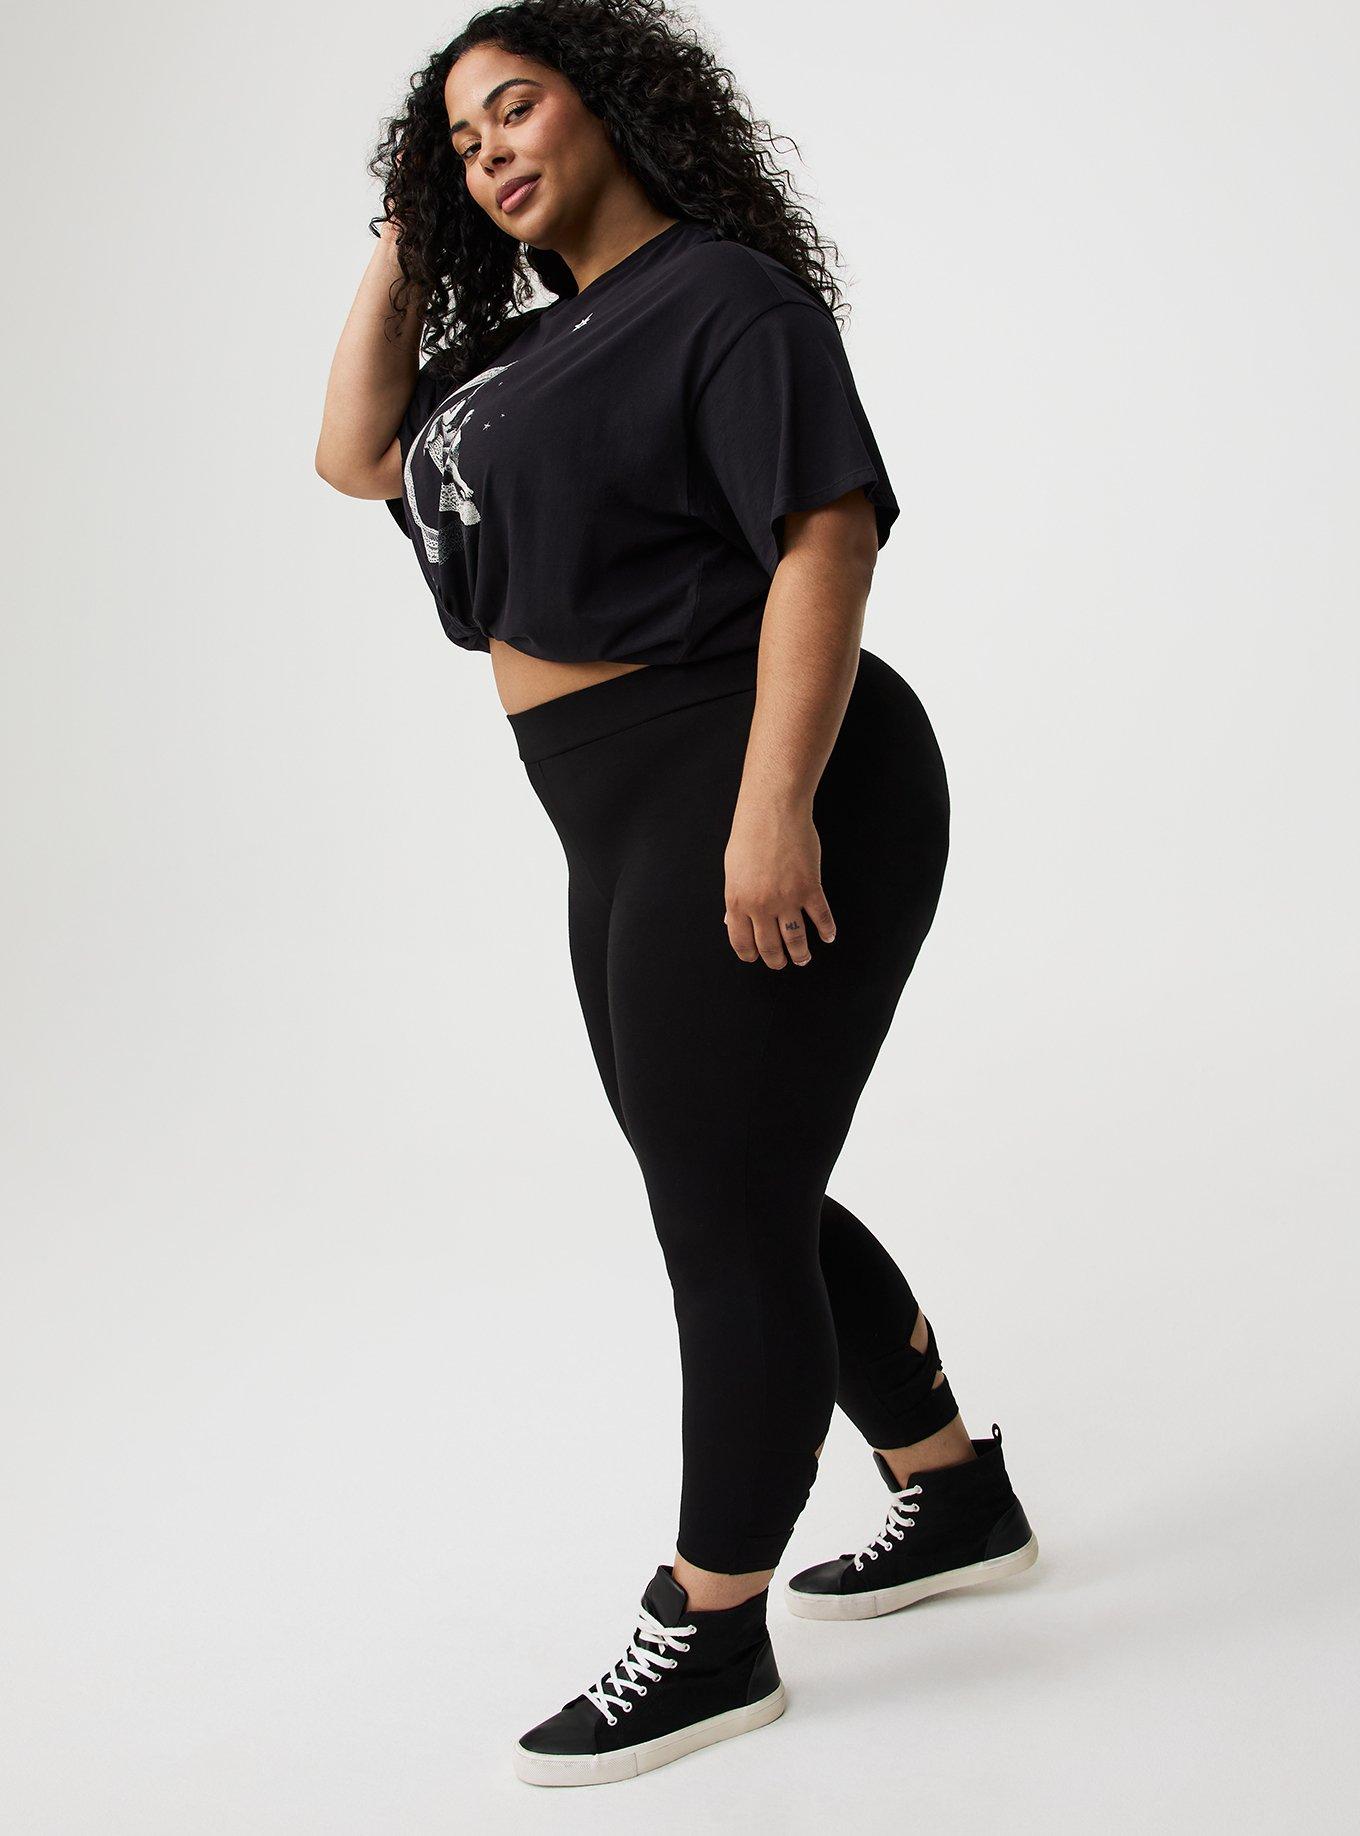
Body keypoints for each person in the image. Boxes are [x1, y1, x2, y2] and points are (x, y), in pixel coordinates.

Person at [315, 0, 1037, 1789]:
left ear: (615, 104)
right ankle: (952, 1491)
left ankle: (711, 1624)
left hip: (768, 773)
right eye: (458, 136)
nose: (489, 149)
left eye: (515, 107)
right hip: (615, 812)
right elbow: (355, 453)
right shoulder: (516, 354)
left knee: (720, 1206)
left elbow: (826, 534)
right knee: (730, 1179)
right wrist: (408, 228)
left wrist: (772, 809)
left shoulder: (722, 297)